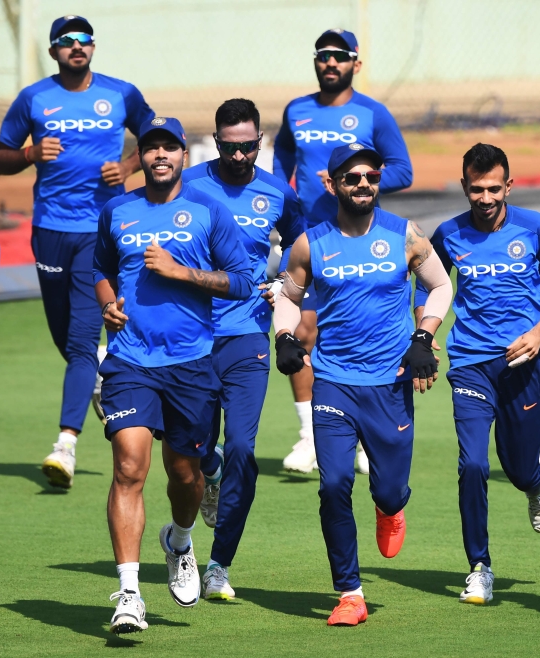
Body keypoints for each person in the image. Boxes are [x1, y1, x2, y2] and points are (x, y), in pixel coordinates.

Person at [273, 143, 452, 626]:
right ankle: (350, 592)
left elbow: (440, 285)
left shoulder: (405, 235)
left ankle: (389, 508)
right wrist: (285, 335)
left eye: (370, 176)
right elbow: (288, 296)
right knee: (333, 484)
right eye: (351, 178)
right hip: (332, 382)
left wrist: (423, 336)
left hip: (390, 384)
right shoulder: (312, 242)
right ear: (331, 184)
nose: (363, 185)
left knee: (390, 490)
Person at [92, 117, 254, 633]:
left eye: (169, 147)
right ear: (139, 156)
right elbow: (100, 269)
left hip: (191, 364)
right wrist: (107, 305)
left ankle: (180, 540)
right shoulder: (117, 210)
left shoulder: (209, 211)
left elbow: (244, 282)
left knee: (186, 475)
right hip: (130, 360)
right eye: (150, 148)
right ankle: (129, 593)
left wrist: (182, 272)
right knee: (129, 467)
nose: (159, 155)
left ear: (184, 154)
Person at [0, 14, 154, 489]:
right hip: (48, 231)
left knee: (83, 340)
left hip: (99, 229)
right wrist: (27, 155)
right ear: (53, 52)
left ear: (94, 47)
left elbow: (160, 134)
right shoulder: (34, 98)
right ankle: (100, 381)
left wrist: (127, 166)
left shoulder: (120, 93)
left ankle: (65, 443)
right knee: (65, 337)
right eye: (66, 41)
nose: (76, 47)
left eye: (83, 40)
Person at [415, 144, 540, 605]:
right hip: (469, 364)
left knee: (518, 469)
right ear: (464, 186)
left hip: (522, 363)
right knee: (474, 464)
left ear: (509, 186)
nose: (484, 198)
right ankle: (479, 566)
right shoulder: (448, 233)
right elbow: (427, 281)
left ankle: (536, 480)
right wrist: (425, 332)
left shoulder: (537, 229)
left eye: (493, 189)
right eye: (475, 189)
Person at [273, 28, 413, 474]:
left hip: (358, 242)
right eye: (323, 56)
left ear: (356, 62)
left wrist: (354, 183)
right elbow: (280, 165)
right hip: (309, 240)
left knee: (348, 333)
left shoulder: (374, 112)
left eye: (339, 56)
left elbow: (403, 170)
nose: (330, 63)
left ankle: (359, 437)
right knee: (302, 332)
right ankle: (311, 434)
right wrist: (282, 208)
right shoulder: (296, 110)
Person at [182, 99, 305, 600]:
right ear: (216, 142)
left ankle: (218, 565)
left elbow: (302, 253)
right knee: (189, 450)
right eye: (228, 146)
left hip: (247, 335)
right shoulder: (187, 186)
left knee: (244, 449)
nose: (237, 155)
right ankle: (207, 472)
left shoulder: (278, 192)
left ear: (260, 143)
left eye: (247, 147)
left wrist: (286, 288)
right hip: (189, 336)